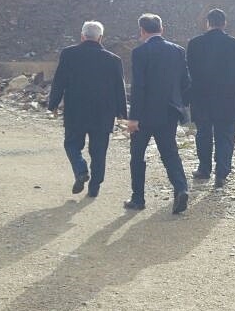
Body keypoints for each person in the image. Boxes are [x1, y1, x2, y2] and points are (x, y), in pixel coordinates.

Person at [47, 20, 127, 198]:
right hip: (103, 113)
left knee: (71, 144)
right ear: (100, 38)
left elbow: (59, 81)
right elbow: (119, 87)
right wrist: (122, 112)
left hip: (76, 111)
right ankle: (94, 187)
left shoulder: (69, 54)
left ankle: (80, 169)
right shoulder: (113, 59)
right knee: (99, 151)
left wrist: (53, 104)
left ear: (82, 36)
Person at [125, 13, 191, 214]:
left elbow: (139, 86)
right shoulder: (178, 51)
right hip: (169, 112)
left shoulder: (139, 52)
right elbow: (186, 82)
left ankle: (138, 199)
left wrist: (133, 117)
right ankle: (181, 188)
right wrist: (181, 104)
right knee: (170, 153)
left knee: (137, 155)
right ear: (162, 29)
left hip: (144, 114)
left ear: (142, 30)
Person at [187, 8, 235, 188]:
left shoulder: (195, 44)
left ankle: (204, 169)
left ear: (208, 23)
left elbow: (188, 74)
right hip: (228, 100)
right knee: (226, 136)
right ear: (224, 23)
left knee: (203, 134)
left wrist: (187, 97)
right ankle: (221, 174)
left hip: (201, 98)